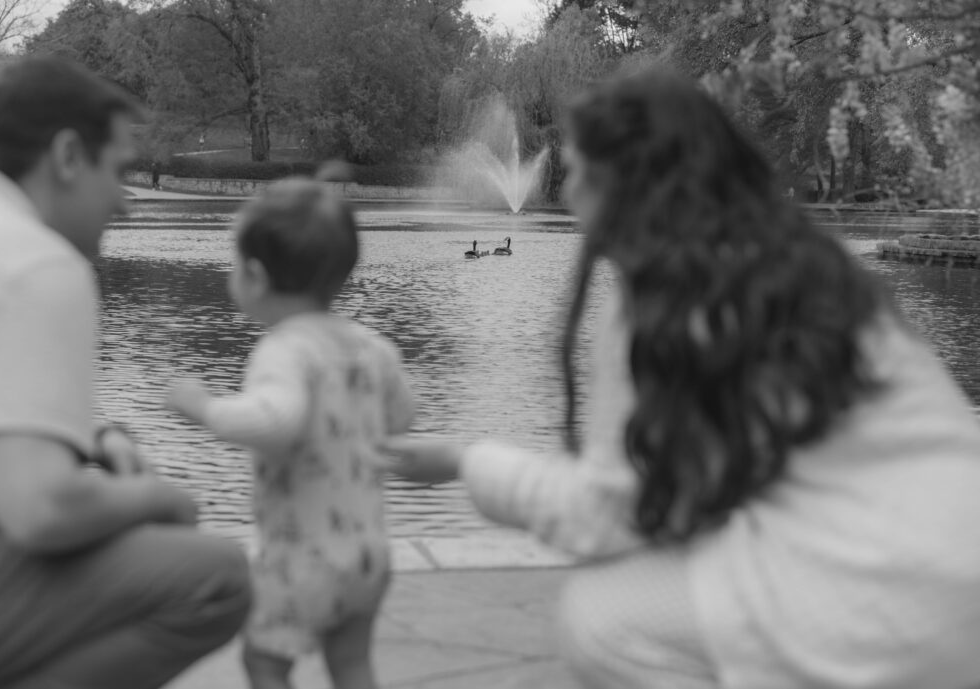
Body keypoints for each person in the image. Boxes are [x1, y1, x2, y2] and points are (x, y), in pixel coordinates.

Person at [384, 67, 980, 689]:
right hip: (967, 575)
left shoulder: (668, 298)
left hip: (905, 613)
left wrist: (467, 461)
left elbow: (605, 516)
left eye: (580, 172)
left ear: (624, 184)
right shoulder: (818, 268)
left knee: (605, 616)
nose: (568, 193)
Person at [0, 56, 251, 689]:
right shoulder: (35, 262)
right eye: (117, 171)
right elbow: (41, 509)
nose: (125, 204)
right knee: (216, 578)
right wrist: (163, 498)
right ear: (67, 156)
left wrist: (94, 438)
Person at [167, 179, 415, 689]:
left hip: (305, 558)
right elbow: (404, 415)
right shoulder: (372, 346)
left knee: (265, 663)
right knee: (351, 664)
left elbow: (277, 422)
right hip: (368, 554)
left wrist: (205, 408)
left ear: (255, 276)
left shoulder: (284, 349)